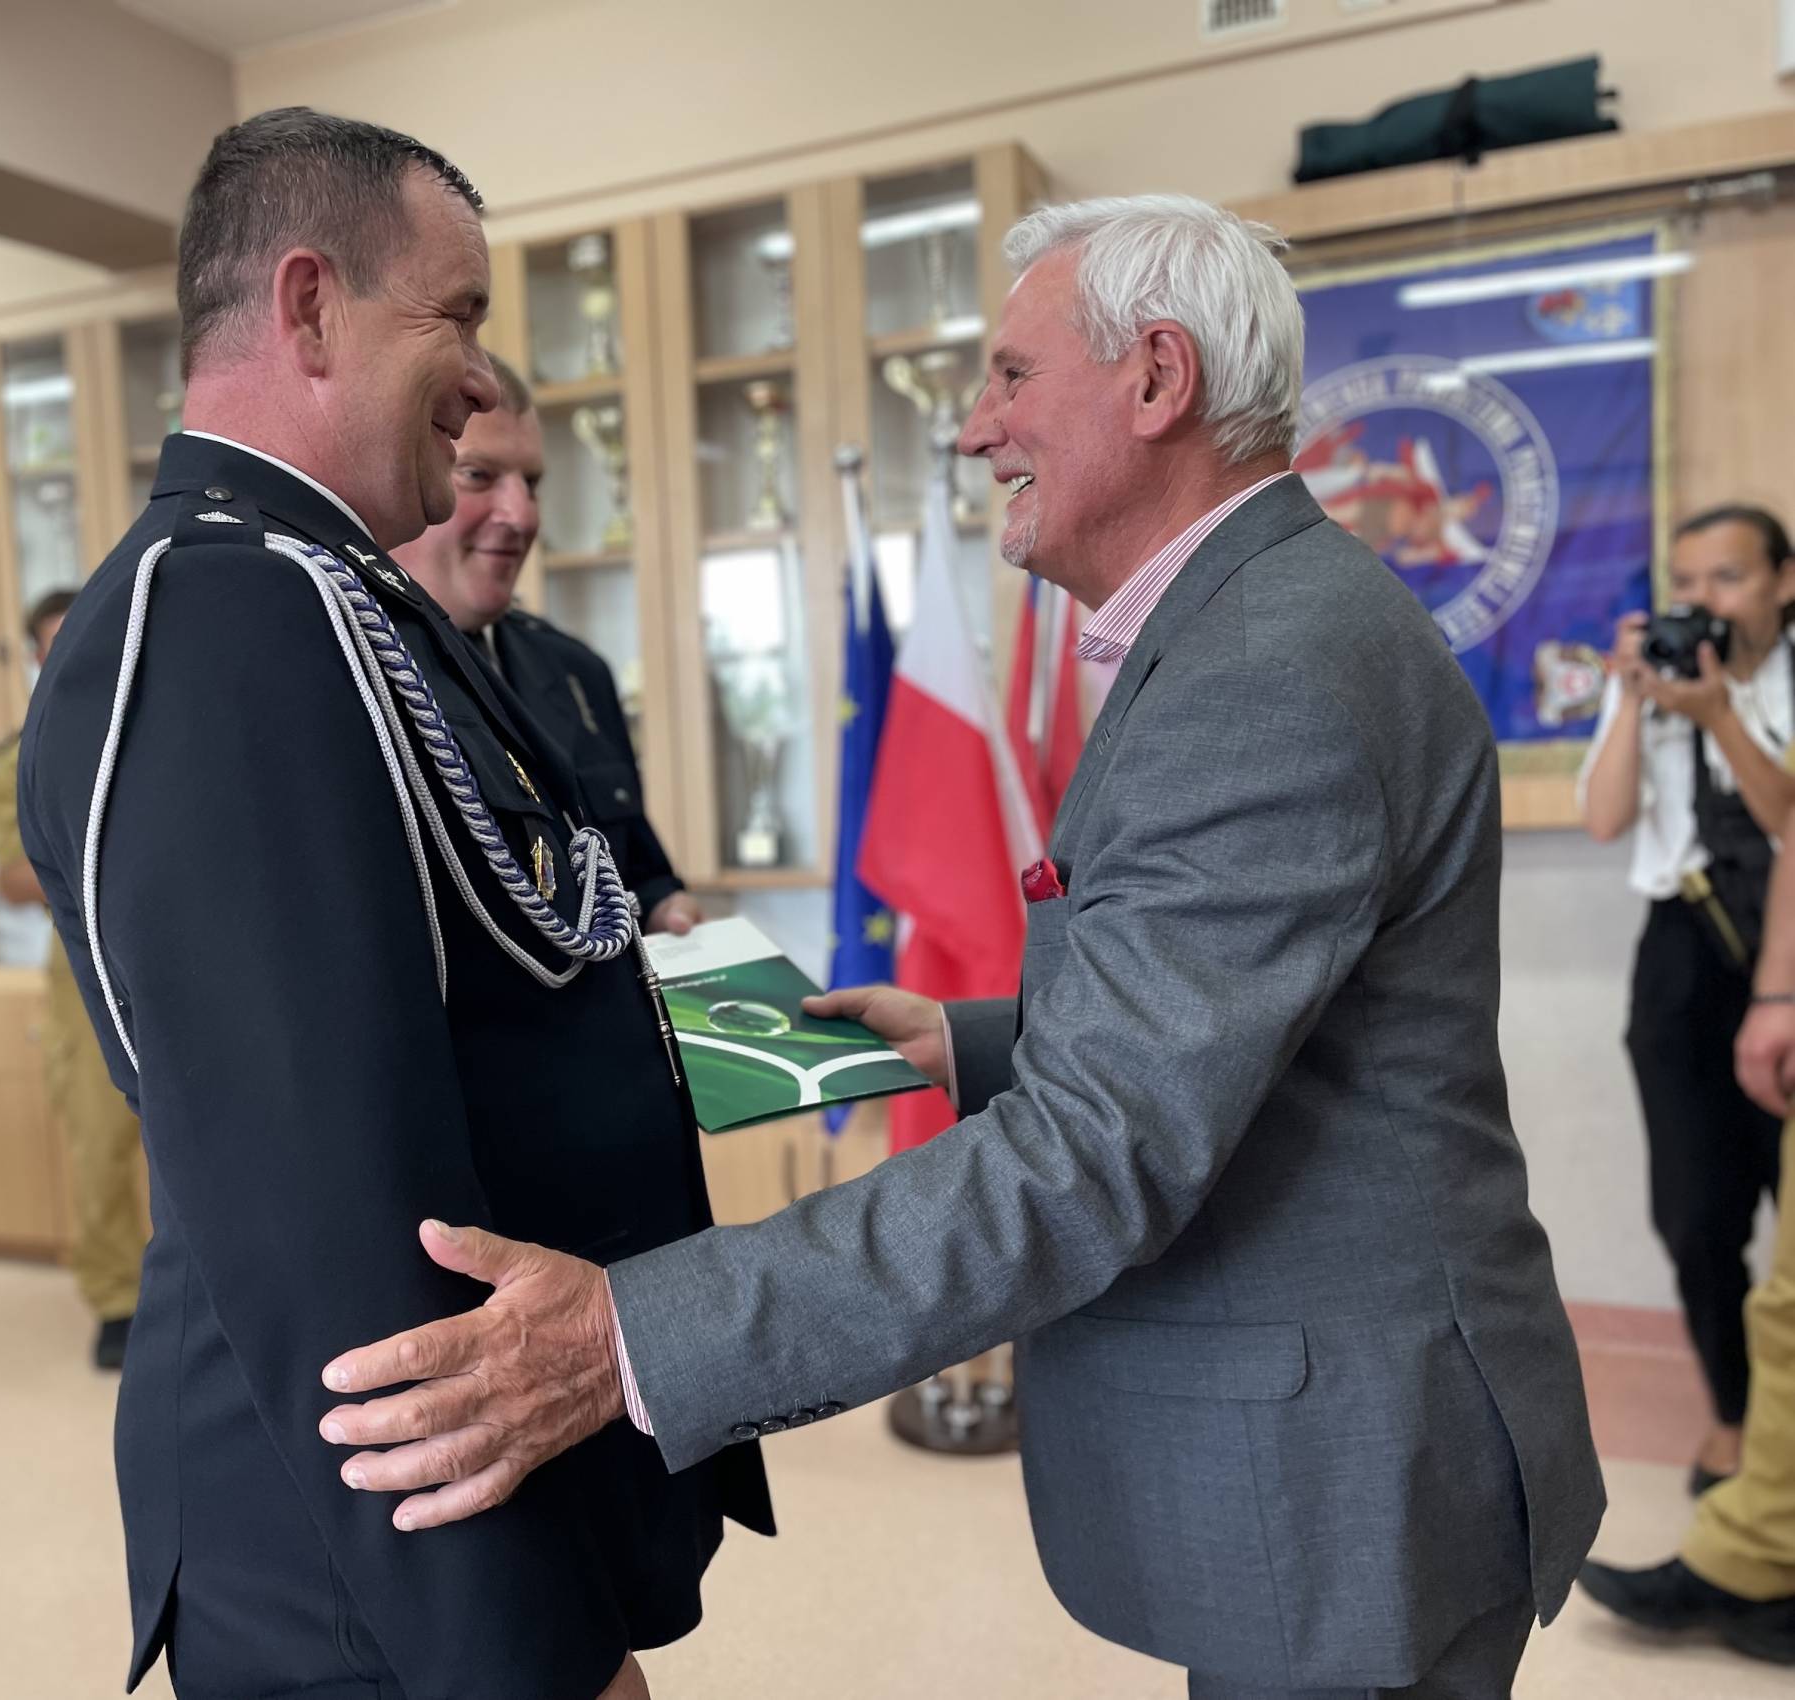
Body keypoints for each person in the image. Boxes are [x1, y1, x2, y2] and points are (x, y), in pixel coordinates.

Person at [319, 194, 1607, 1700]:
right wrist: (965, 1037)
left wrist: (631, 1337)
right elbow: (1252, 1011)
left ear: (1156, 378)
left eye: (1008, 375)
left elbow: (1092, 1153)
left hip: (1349, 1479)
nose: (974, 428)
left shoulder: (1264, 668)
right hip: (1341, 1456)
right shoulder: (1258, 620)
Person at [15, 108, 768, 1700]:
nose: (483, 381)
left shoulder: (340, 594)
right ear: (309, 307)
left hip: (496, 1478)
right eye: (457, 318)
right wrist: (525, 1656)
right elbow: (332, 1226)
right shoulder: (223, 620)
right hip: (365, 1574)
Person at [1579, 505, 1795, 1494]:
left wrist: (1720, 717)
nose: (1703, 601)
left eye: (1728, 578)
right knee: (1694, 1214)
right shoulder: (1658, 678)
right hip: (1684, 951)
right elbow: (1603, 818)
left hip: (1783, 944)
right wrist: (1633, 700)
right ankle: (1736, 1415)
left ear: (1782, 582)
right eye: (1687, 581)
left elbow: (1787, 817)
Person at [1575, 778, 1795, 1666]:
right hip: (1701, 959)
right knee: (1736, 1258)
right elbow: (1604, 816)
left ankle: (1752, 1549)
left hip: (1764, 956)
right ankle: (1754, 1543)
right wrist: (1778, 995)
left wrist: (1721, 719)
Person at [393, 356, 700, 935]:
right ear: (409, 479)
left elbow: (638, 872)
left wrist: (667, 910)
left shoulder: (576, 671)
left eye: (531, 484)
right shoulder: (358, 665)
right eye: (479, 475)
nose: (523, 516)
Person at [0, 590, 145, 1371]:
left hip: (177, 956)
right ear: (34, 657)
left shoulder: (149, 722)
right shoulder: (23, 754)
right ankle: (116, 1300)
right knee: (101, 1143)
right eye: (50, 641)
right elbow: (12, 877)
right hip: (90, 974)